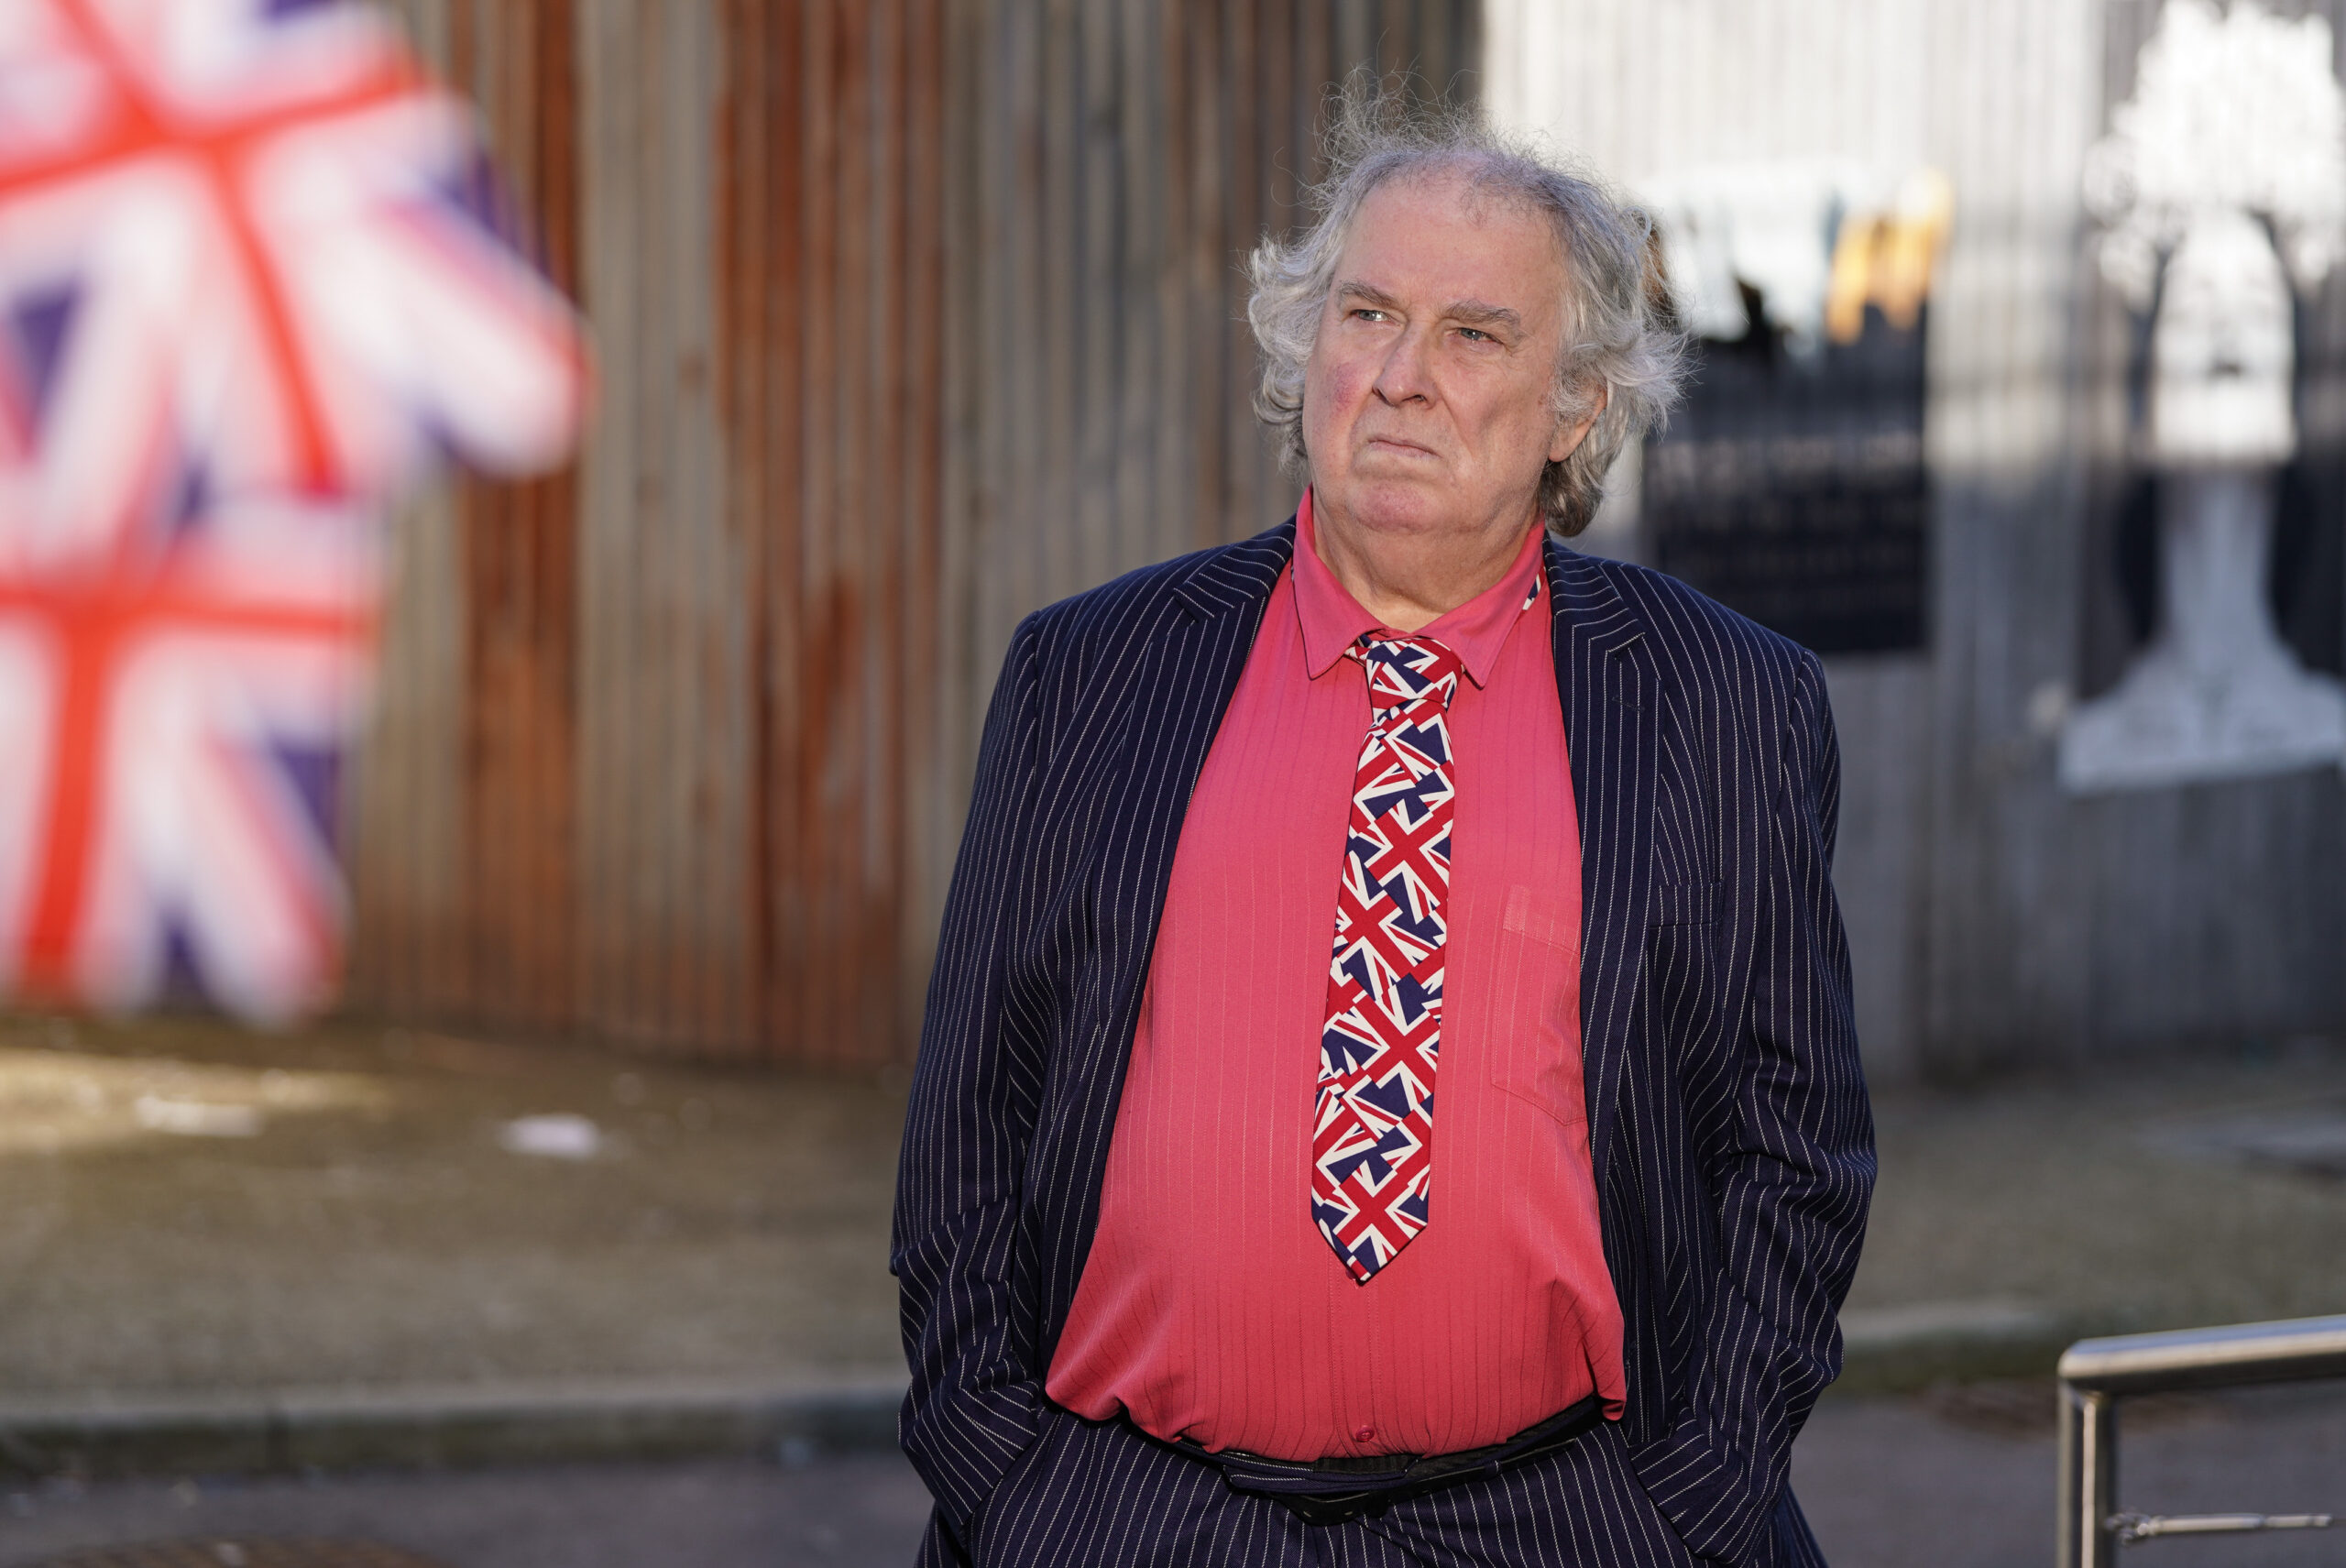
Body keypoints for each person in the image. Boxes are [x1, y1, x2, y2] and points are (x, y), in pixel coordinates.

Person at [893, 95, 1874, 1568]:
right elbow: (968, 1129)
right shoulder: (1089, 675)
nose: (1403, 378)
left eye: (1476, 335)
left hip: (1572, 1519)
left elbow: (1797, 1152)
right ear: (1307, 349)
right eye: (1367, 314)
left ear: (1576, 405)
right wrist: (1013, 1485)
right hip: (1136, 1520)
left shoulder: (1726, 706)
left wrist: (1697, 1495)